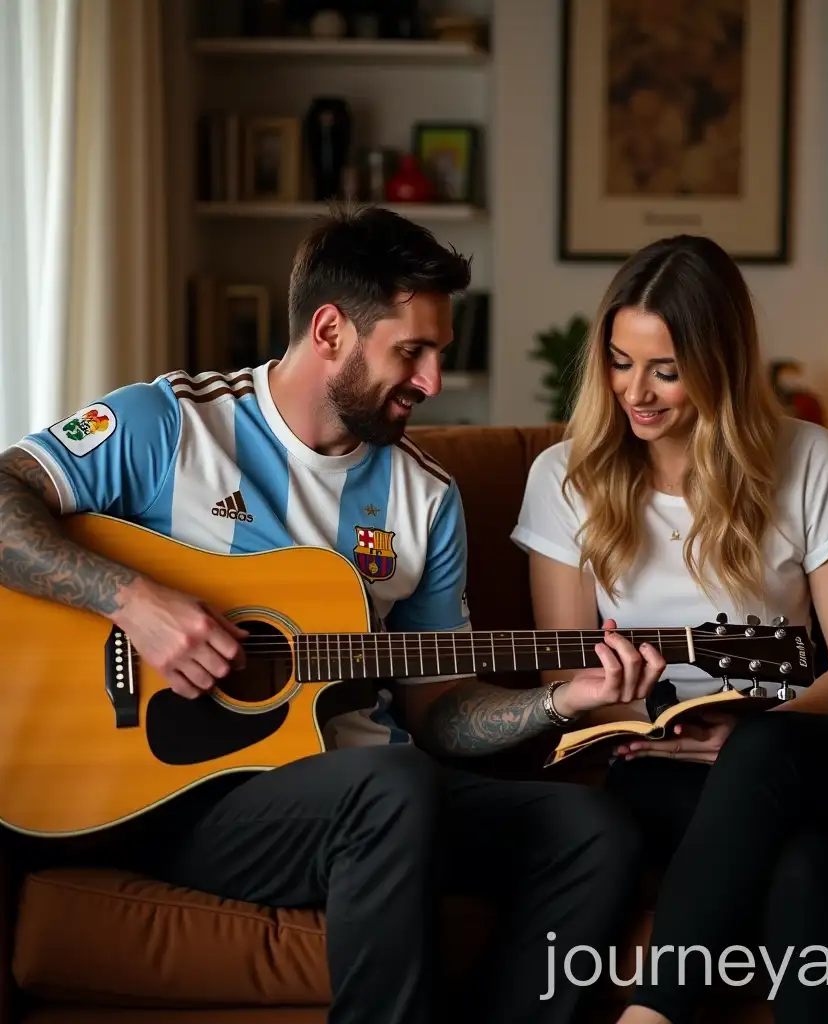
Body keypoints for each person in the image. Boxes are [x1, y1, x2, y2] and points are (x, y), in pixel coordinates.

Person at [0, 205, 644, 1024]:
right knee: (393, 785)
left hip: (376, 791)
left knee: (593, 827)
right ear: (331, 330)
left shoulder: (426, 498)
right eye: (411, 351)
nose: (432, 382)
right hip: (188, 796)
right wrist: (134, 601)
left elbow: (439, 713)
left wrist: (558, 701)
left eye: (440, 353)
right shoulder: (168, 425)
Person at [510, 234, 828, 1024]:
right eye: (620, 360)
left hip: (816, 754)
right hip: (658, 765)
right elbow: (559, 680)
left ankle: (652, 1013)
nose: (637, 392)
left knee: (763, 750)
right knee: (799, 868)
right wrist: (655, 724)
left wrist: (751, 732)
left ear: (720, 362)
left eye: (666, 370)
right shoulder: (562, 477)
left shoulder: (808, 457)